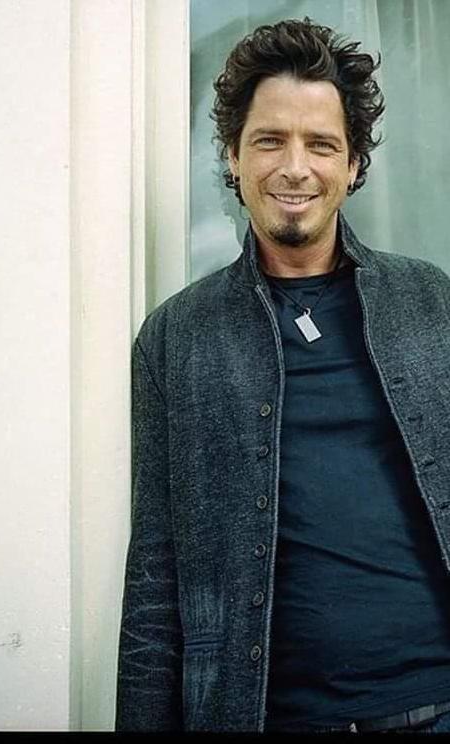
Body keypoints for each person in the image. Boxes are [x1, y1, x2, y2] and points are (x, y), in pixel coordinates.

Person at [115, 17, 450, 733]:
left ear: (353, 165)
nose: (295, 167)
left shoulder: (433, 303)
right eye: (270, 140)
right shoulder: (176, 339)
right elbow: (154, 581)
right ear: (233, 158)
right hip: (266, 715)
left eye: (321, 144)